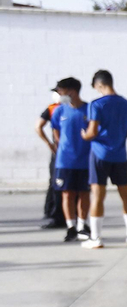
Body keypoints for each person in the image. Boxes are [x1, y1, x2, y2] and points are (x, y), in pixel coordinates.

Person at [79, 69, 127, 249]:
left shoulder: (96, 105)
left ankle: (96, 238)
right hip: (119, 154)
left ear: (100, 85)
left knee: (98, 194)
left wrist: (84, 134)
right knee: (125, 194)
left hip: (100, 153)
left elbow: (92, 132)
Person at [48, 78, 91, 242]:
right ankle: (71, 226)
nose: (59, 94)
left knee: (84, 193)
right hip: (65, 161)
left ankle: (82, 225)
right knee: (67, 194)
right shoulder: (60, 110)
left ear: (72, 91)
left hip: (85, 160)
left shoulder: (88, 109)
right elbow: (56, 131)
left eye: (61, 91)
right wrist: (60, 146)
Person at [35, 88, 67, 229]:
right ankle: (54, 213)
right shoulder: (52, 109)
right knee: (56, 182)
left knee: (60, 182)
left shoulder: (68, 108)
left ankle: (60, 214)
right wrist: (49, 143)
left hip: (65, 151)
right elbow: (38, 126)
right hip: (60, 151)